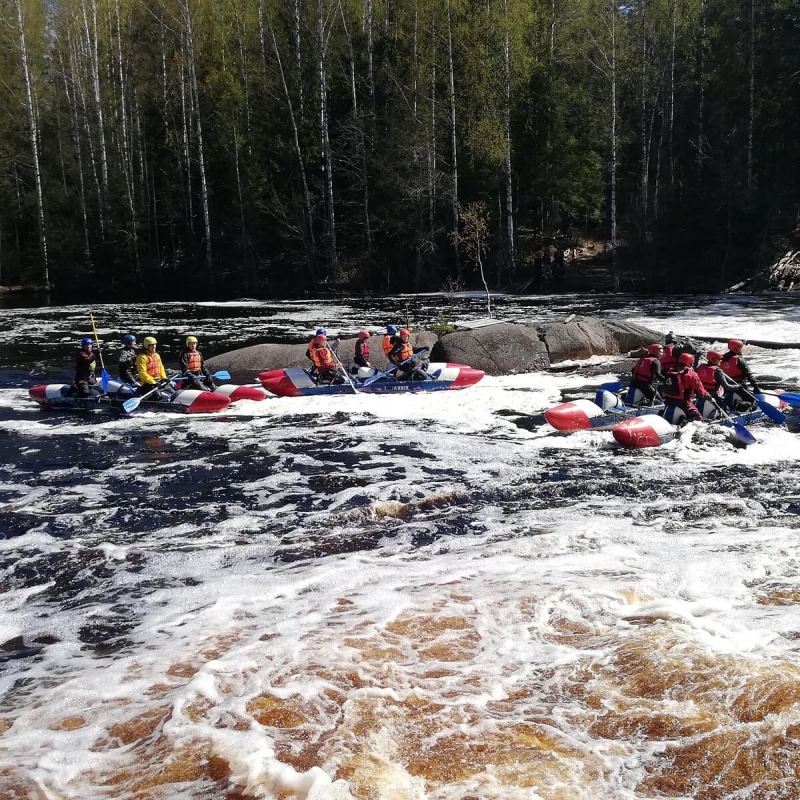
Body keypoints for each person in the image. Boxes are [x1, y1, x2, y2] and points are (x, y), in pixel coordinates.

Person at [662, 352, 713, 422]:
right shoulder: (691, 374)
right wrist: (709, 397)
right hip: (683, 403)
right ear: (691, 363)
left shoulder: (671, 369)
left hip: (668, 401)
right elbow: (700, 390)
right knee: (699, 419)